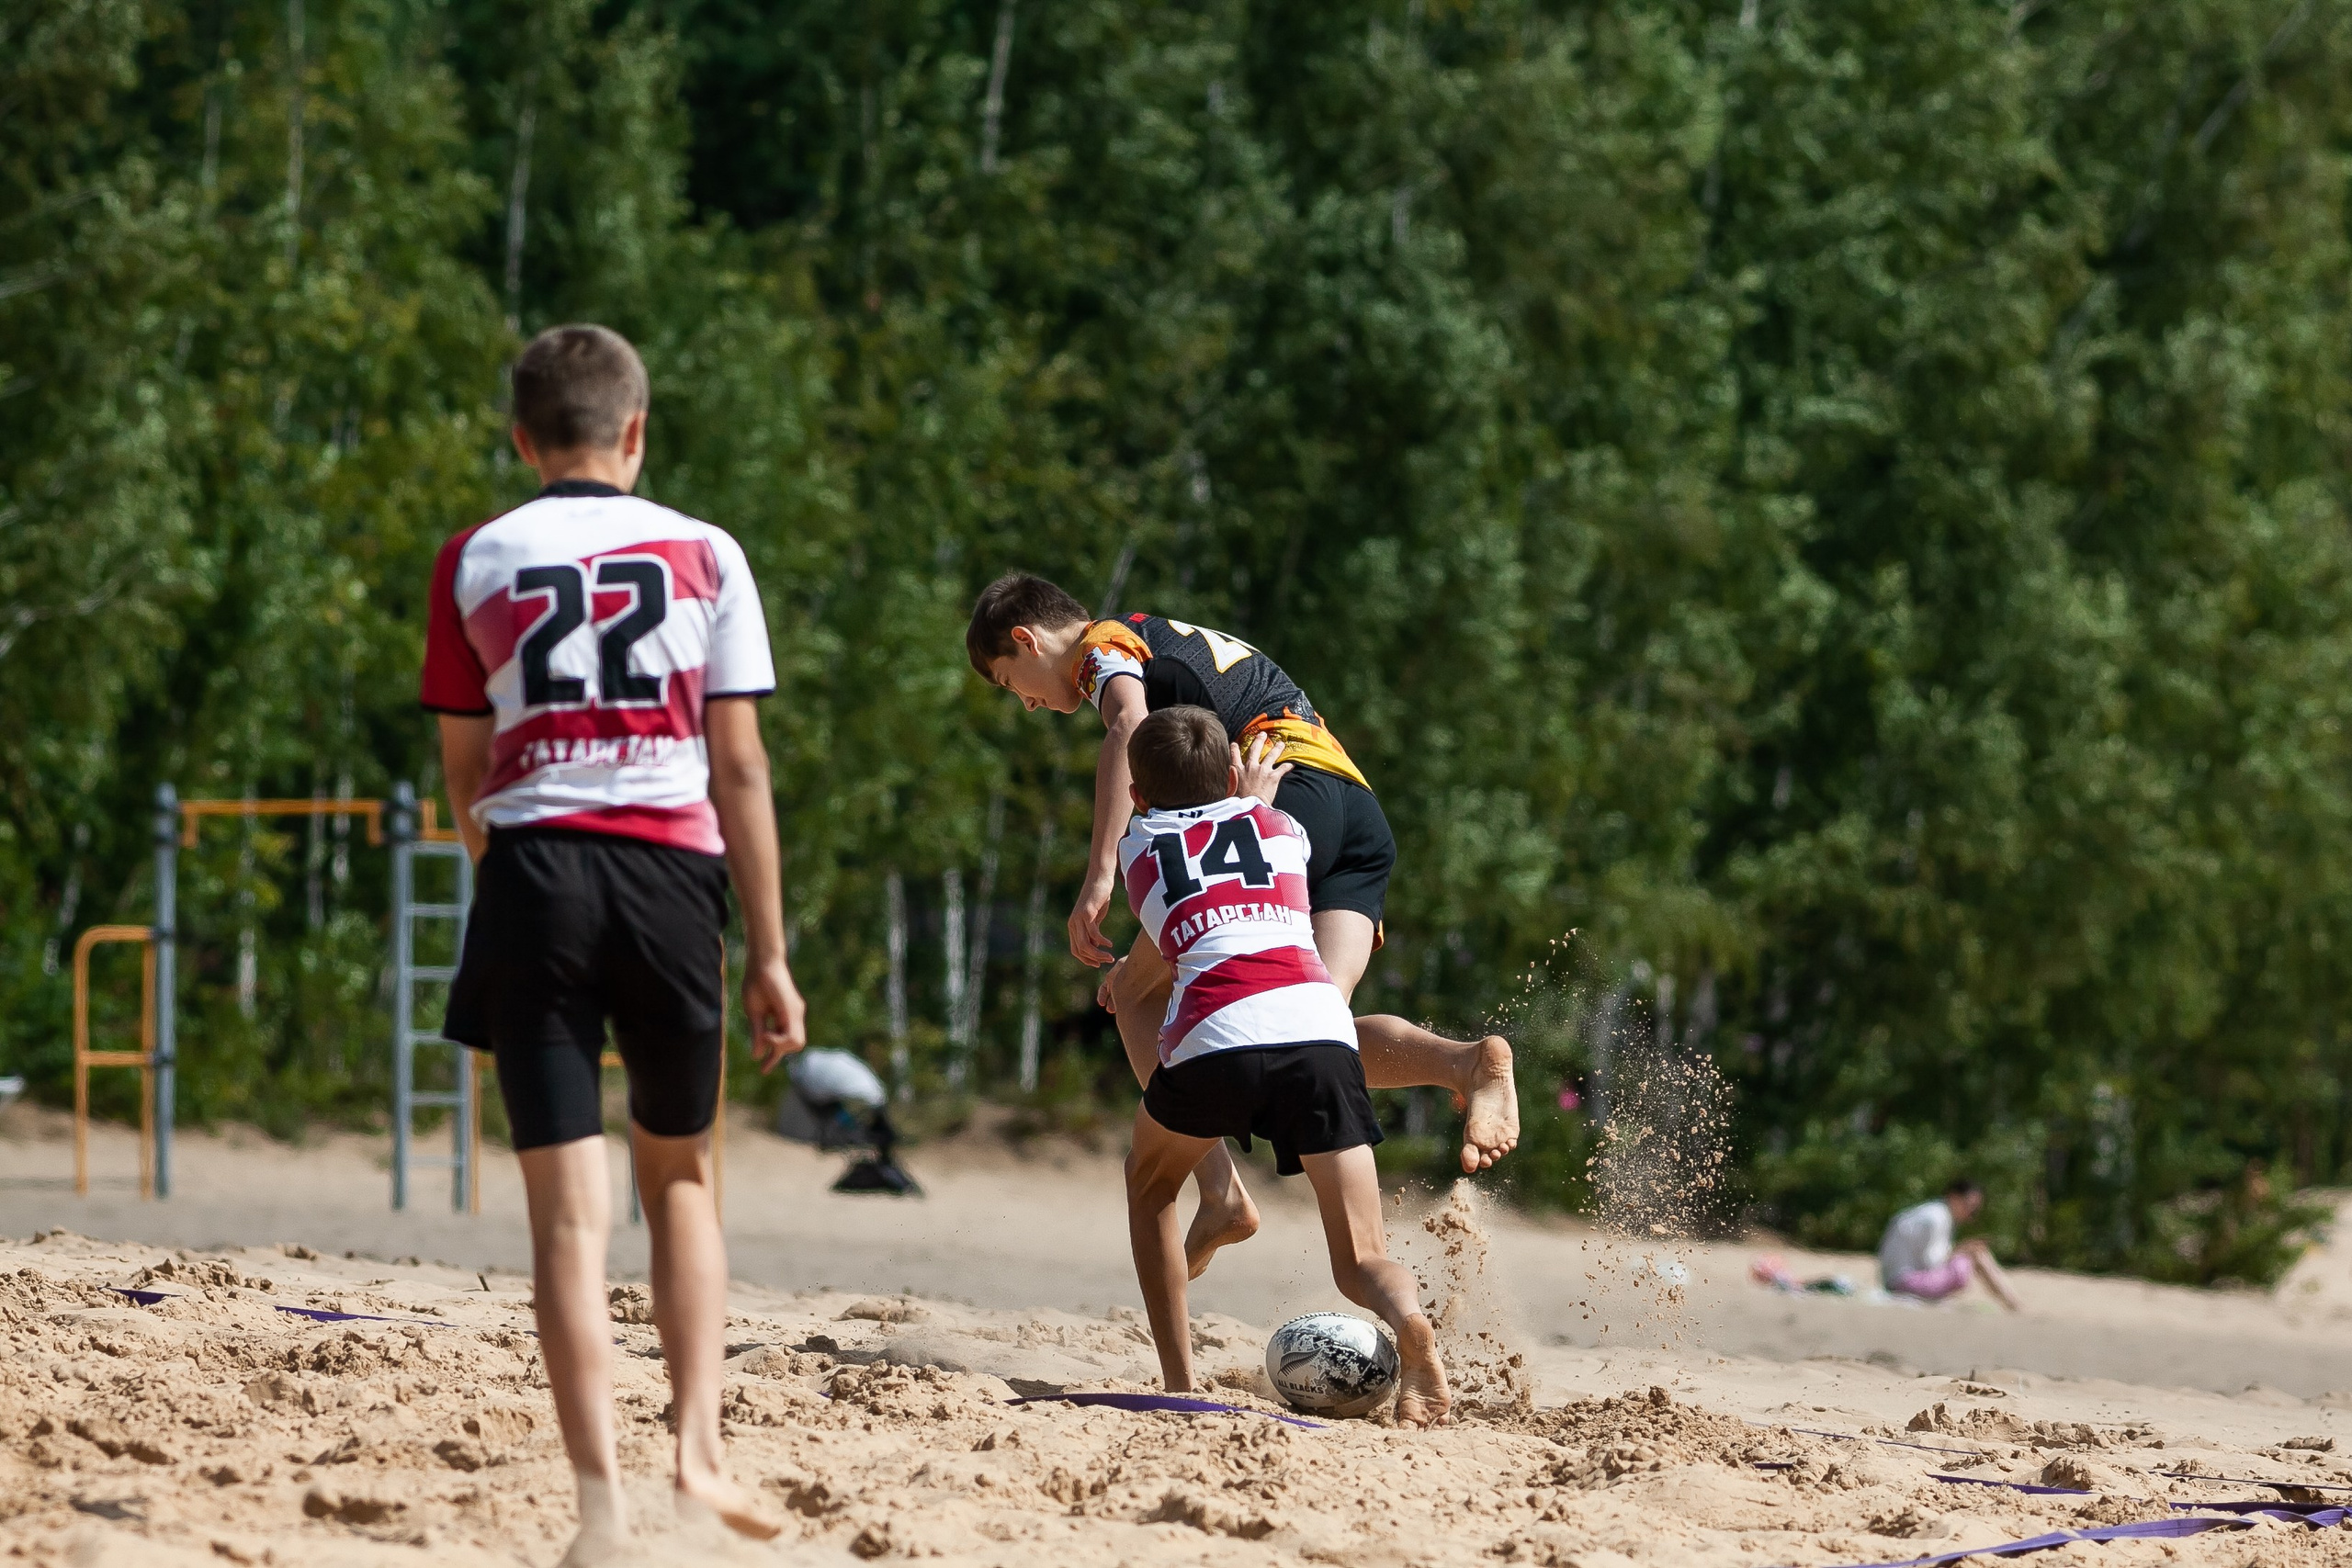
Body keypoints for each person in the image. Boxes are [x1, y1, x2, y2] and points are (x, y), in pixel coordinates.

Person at [422, 323, 806, 1562]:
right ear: (635, 431)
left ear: (521, 439)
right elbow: (739, 766)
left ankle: (599, 1508)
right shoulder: (707, 551)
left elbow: (466, 774)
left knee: (564, 1219)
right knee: (679, 1176)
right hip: (669, 878)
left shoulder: (474, 556)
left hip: (534, 868)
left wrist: (511, 884)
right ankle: (697, 1452)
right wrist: (769, 952)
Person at [966, 572, 1518, 1275]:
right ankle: (1464, 1062)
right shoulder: (1156, 633)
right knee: (1313, 1022)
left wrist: (1099, 874)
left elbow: (1128, 724)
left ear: (1028, 639)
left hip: (1285, 792)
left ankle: (1220, 1190)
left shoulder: (1101, 646)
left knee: (1132, 992)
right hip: (1354, 809)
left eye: (1011, 682)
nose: (1028, 702)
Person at [1116, 705, 1450, 1426]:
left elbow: (1179, 902)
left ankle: (1180, 1382)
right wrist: (1250, 800)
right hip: (1318, 1033)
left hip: (1214, 1038)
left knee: (1150, 1187)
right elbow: (1247, 828)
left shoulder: (1136, 847)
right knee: (1361, 1258)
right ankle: (1408, 1318)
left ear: (1138, 796)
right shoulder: (1284, 829)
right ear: (1232, 778)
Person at [1878, 1179, 2020, 1311]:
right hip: (1904, 1283)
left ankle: (2011, 1301)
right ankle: (2012, 1303)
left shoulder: (1935, 1213)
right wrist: (1962, 1249)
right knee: (1977, 1254)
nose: (1971, 1215)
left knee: (1975, 1252)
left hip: (1897, 1279)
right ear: (1954, 1198)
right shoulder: (1936, 1219)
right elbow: (1931, 1262)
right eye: (1970, 1207)